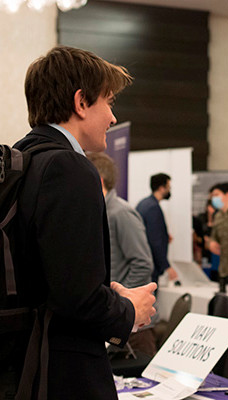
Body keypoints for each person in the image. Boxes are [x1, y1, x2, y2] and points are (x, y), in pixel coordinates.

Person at [11, 46, 156, 399]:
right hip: (60, 372)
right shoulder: (69, 167)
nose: (111, 117)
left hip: (22, 363)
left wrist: (104, 291)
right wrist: (128, 311)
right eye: (107, 102)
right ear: (80, 103)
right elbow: (75, 298)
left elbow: (47, 276)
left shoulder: (21, 161)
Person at [87, 152, 158, 356]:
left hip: (135, 327)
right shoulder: (99, 212)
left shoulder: (121, 213)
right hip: (117, 319)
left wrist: (123, 303)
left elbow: (143, 263)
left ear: (98, 180)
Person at [136, 173, 178, 285]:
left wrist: (164, 236)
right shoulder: (153, 208)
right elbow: (155, 241)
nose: (170, 190)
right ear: (161, 188)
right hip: (150, 266)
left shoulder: (143, 204)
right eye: (168, 187)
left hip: (142, 262)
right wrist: (167, 266)